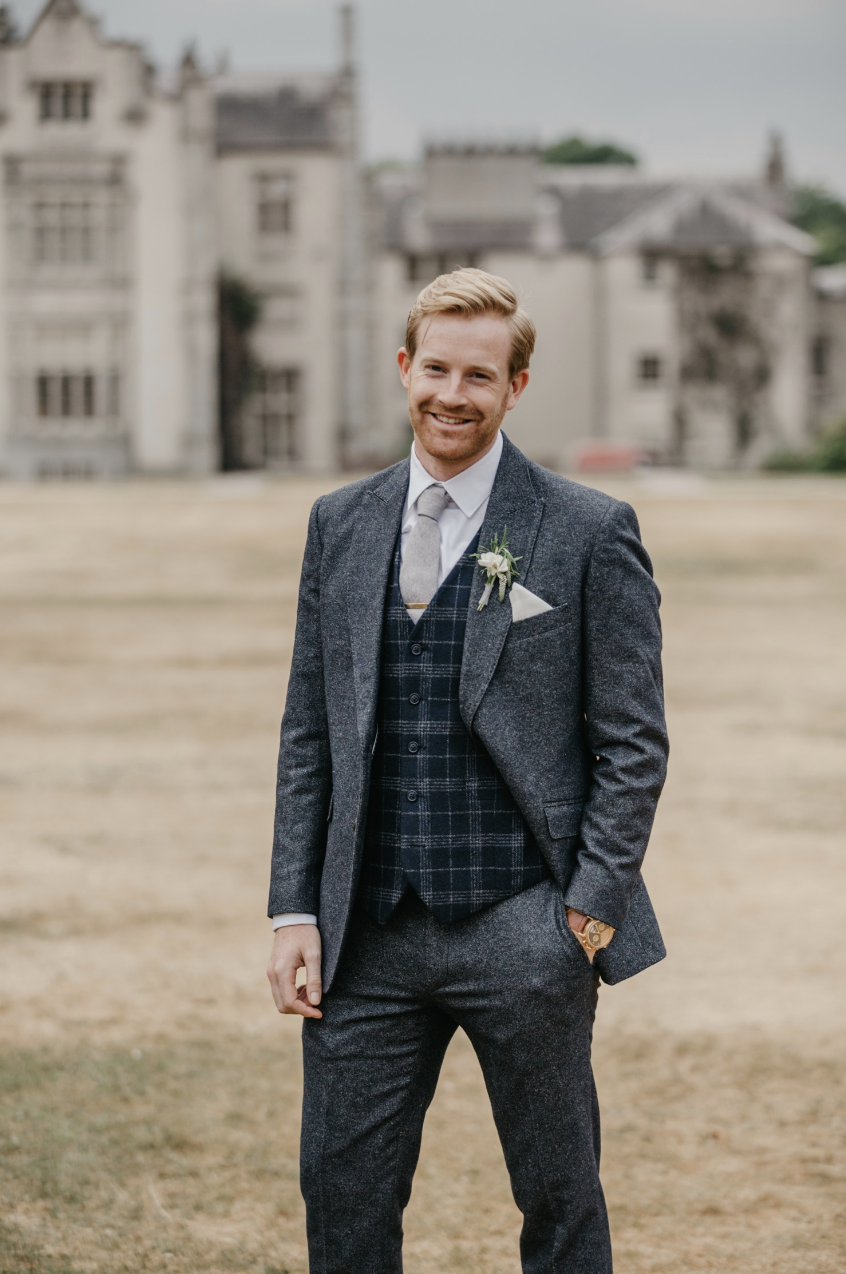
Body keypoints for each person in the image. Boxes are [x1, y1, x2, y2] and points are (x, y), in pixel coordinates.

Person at [266, 268, 669, 1274]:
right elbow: (310, 732)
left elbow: (633, 741)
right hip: (364, 936)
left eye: (480, 376)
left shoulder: (587, 528)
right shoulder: (340, 523)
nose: (454, 394)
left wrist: (587, 911)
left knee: (560, 1201)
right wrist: (293, 910)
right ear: (405, 367)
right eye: (437, 369)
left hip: (525, 927)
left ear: (515, 387)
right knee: (343, 1203)